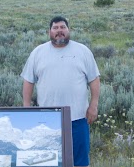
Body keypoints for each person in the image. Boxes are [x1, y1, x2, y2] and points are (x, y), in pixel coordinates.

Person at [21, 16, 101, 167]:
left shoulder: (82, 51)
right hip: (48, 119)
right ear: (49, 31)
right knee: (49, 160)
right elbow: (28, 81)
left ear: (68, 30)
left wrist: (93, 105)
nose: (59, 31)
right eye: (55, 28)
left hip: (78, 118)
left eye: (62, 27)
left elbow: (94, 79)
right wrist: (27, 107)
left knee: (80, 161)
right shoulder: (38, 53)